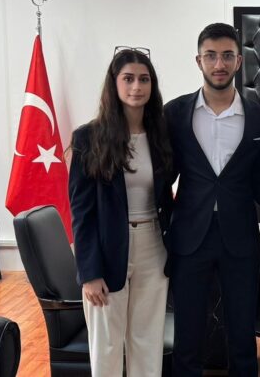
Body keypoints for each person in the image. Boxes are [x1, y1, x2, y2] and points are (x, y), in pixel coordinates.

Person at [164, 23, 260, 376]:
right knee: (187, 337)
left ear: (239, 61)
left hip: (240, 238)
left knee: (242, 336)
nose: (219, 64)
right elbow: (162, 177)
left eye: (227, 56)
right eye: (211, 56)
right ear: (199, 61)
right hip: (189, 237)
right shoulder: (174, 113)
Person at [69, 47, 173, 376]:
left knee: (147, 342)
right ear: (114, 83)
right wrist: (89, 272)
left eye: (144, 79)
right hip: (106, 249)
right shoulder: (88, 138)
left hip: (153, 246)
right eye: (128, 79)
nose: (136, 87)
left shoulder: (162, 135)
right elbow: (81, 212)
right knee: (107, 346)